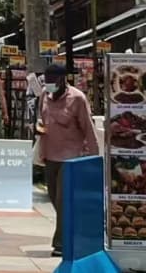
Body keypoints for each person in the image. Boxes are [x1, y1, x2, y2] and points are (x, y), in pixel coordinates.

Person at [37, 64, 99, 258]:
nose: (49, 85)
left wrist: (95, 158)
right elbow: (41, 119)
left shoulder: (77, 99)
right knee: (55, 198)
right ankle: (74, 232)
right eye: (47, 81)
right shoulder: (44, 97)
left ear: (63, 80)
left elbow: (88, 128)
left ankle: (61, 243)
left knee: (63, 201)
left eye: (53, 81)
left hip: (70, 158)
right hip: (50, 155)